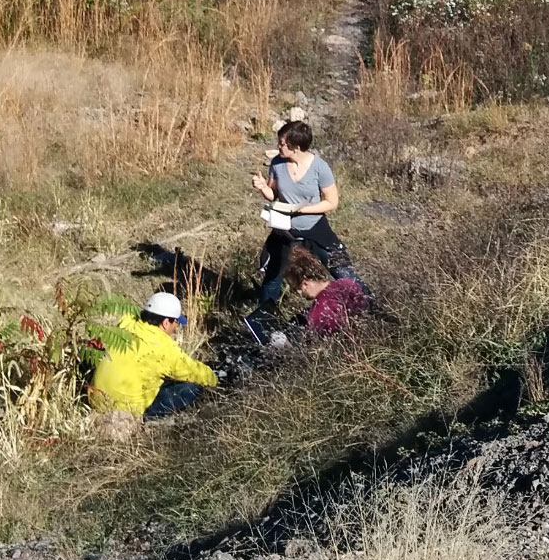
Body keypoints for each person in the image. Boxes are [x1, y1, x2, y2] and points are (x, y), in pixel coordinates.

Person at [245, 114, 360, 343]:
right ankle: (264, 327)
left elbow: (332, 202)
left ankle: (363, 308)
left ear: (296, 147)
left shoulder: (320, 168)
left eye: (283, 144)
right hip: (285, 230)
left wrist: (301, 210)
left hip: (315, 228)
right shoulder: (277, 163)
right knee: (273, 277)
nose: (278, 147)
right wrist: (262, 189)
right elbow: (273, 193)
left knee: (342, 270)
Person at [92, 290, 218, 419]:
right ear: (165, 323)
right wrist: (215, 378)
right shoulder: (163, 348)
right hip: (125, 409)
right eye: (176, 322)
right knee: (193, 388)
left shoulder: (126, 323)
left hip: (95, 400)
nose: (176, 327)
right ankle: (149, 419)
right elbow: (194, 373)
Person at [285, 244, 369, 338]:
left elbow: (315, 343)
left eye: (296, 288)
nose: (299, 293)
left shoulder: (319, 313)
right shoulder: (348, 283)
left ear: (305, 283)